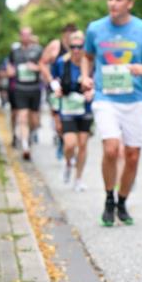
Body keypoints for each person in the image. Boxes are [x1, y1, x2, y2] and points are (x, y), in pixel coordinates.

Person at [80, 0, 142, 227]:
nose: (112, 4)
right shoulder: (95, 28)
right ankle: (108, 198)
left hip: (135, 99)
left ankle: (122, 201)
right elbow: (87, 56)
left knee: (133, 156)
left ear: (130, 3)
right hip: (106, 98)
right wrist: (85, 76)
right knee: (112, 149)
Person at [50, 30, 95, 191]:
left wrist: (92, 92)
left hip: (85, 109)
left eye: (80, 46)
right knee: (70, 145)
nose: (76, 50)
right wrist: (56, 88)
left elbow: (98, 81)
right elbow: (53, 77)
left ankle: (78, 179)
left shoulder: (90, 63)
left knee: (82, 145)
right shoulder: (62, 62)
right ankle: (69, 163)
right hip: (68, 109)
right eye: (73, 46)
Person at [6, 28, 44, 160]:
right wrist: (10, 71)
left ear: (31, 35)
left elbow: (45, 67)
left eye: (28, 34)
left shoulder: (39, 50)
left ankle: (30, 134)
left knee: (34, 120)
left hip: (34, 88)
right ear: (20, 36)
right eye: (23, 35)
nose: (26, 37)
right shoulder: (15, 52)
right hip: (19, 88)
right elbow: (9, 66)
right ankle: (25, 146)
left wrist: (37, 68)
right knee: (22, 117)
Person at [41, 23, 78, 160]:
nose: (70, 37)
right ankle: (62, 140)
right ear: (63, 34)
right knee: (59, 122)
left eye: (72, 34)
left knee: (73, 118)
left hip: (73, 90)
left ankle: (69, 145)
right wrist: (51, 79)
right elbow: (42, 62)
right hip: (56, 88)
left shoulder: (79, 46)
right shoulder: (55, 46)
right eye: (67, 34)